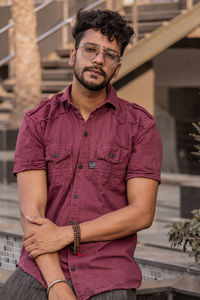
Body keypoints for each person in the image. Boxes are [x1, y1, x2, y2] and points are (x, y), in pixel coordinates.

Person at [0, 8, 162, 300]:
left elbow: (142, 212)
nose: (99, 59)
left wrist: (68, 234)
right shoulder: (38, 121)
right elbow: (32, 214)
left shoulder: (140, 126)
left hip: (106, 273)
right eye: (90, 50)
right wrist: (55, 283)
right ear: (73, 55)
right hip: (40, 267)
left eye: (109, 55)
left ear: (118, 67)